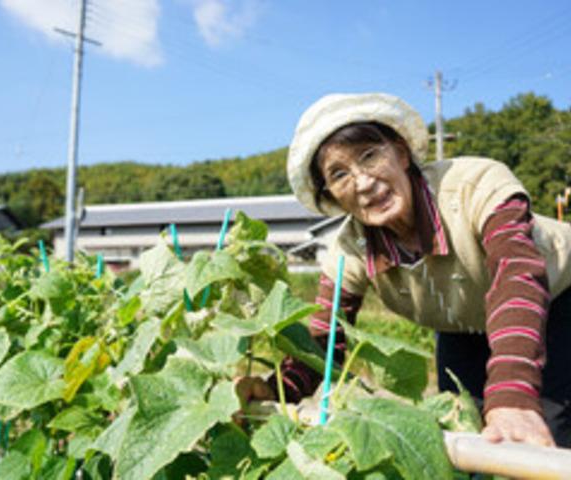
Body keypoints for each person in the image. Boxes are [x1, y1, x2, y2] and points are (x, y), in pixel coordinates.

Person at [242, 93, 571, 448]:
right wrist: (276, 388)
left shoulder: (474, 185)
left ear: (400, 153)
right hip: (460, 326)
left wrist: (511, 392)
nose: (364, 183)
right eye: (339, 174)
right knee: (468, 437)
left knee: (543, 433)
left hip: (552, 301)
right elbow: (325, 338)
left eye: (370, 156)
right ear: (334, 196)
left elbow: (517, 274)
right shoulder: (349, 249)